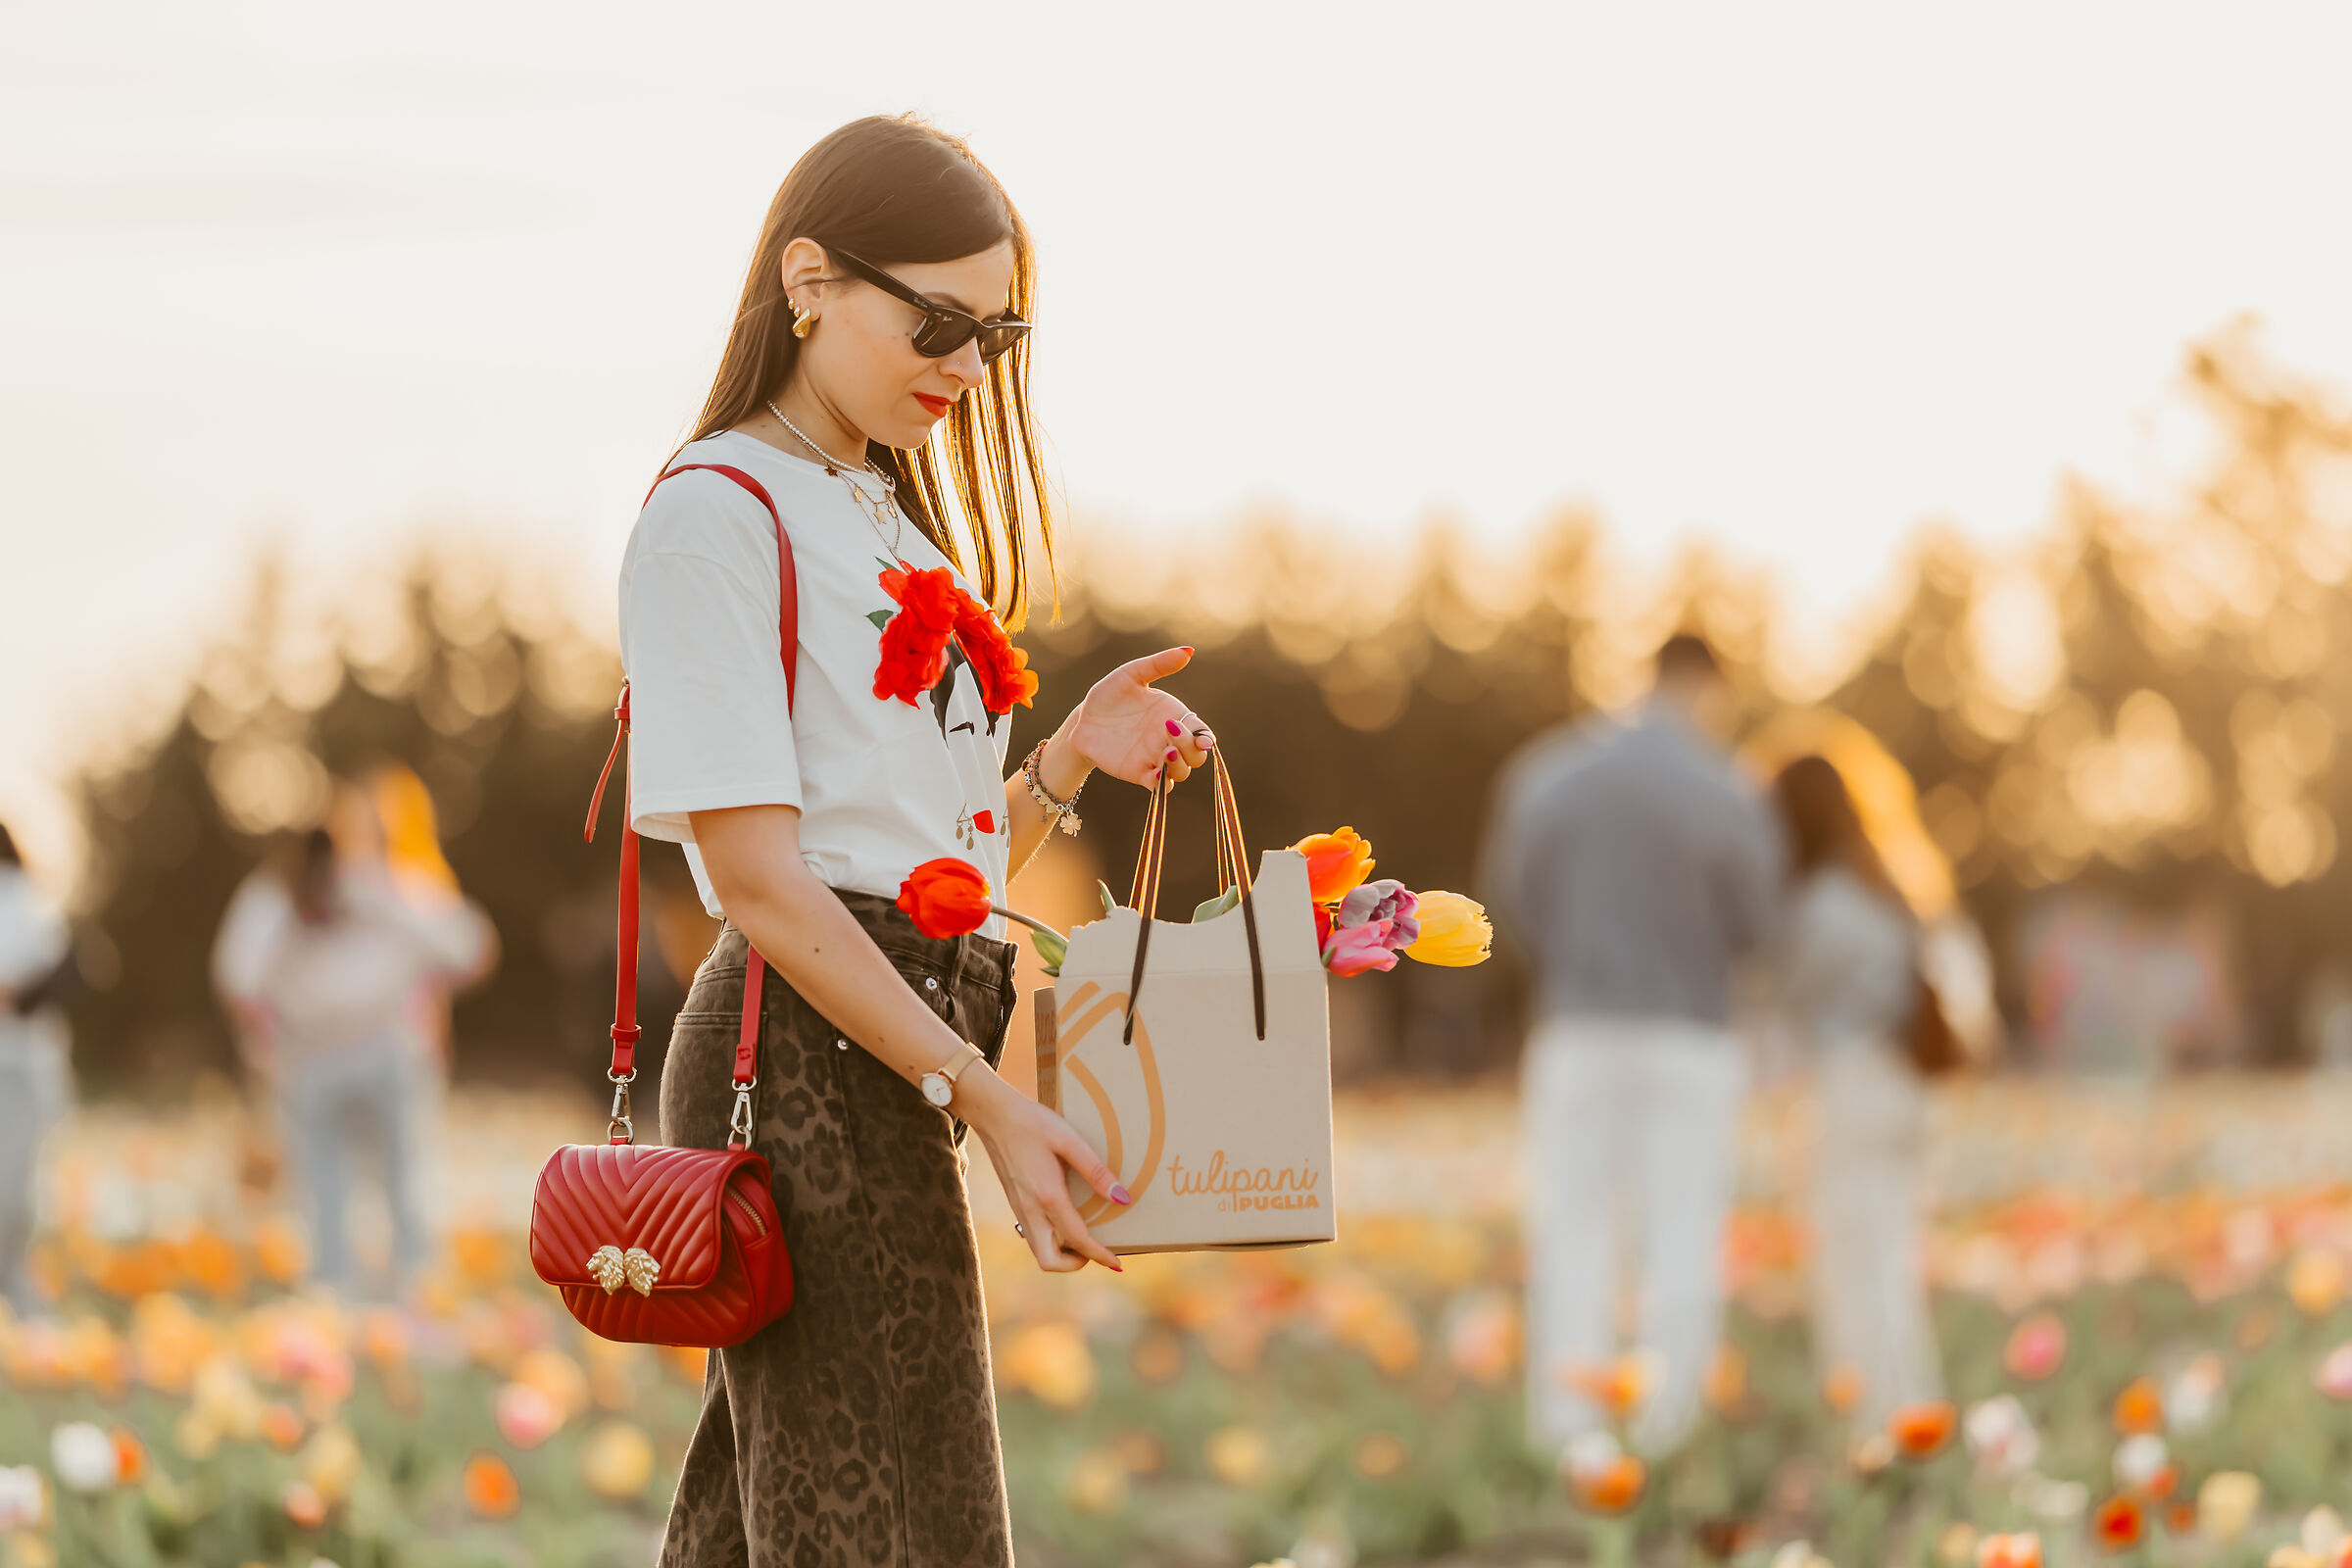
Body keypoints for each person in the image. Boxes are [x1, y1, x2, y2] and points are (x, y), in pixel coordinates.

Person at [621, 116, 1218, 1566]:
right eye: (939, 322)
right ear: (809, 279)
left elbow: (924, 872)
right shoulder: (718, 515)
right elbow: (762, 881)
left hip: (885, 1031)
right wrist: (989, 1101)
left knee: (789, 1510)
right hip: (804, 1051)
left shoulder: (886, 518)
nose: (965, 365)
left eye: (996, 335)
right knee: (893, 1516)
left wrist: (1066, 756)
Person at [1482, 633, 1783, 1457]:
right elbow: (1759, 924)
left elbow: (1514, 902)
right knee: (1681, 1228)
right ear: (1707, 686)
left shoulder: (1549, 775)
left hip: (1577, 1027)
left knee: (1572, 1226)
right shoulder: (1725, 788)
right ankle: (1667, 1427)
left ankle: (1570, 1429)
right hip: (1689, 1033)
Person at [212, 790, 496, 1299]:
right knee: (321, 1186)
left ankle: (417, 1287)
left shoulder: (393, 887)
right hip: (310, 1059)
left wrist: (381, 902)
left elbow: (470, 950)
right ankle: (332, 1291)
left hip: (386, 1052)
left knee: (405, 1177)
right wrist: (267, 1044)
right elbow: (239, 976)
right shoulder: (275, 894)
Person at [1771, 754, 1943, 1428]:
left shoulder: (1818, 904)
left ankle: (1873, 1418)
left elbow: (1781, 1000)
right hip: (1908, 1089)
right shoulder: (1889, 887)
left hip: (1854, 1086)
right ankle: (1913, 1404)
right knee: (1891, 1256)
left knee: (1852, 1262)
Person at [0, 823, 74, 1319]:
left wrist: (15, 994)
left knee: (14, 1194)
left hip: (20, 1063)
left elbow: (63, 971)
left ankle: (21, 1300)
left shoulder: (26, 899)